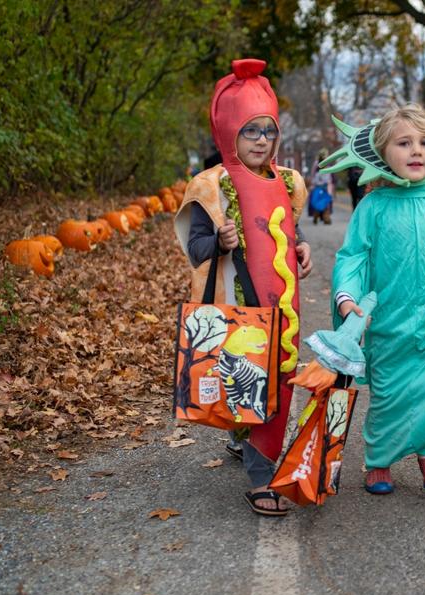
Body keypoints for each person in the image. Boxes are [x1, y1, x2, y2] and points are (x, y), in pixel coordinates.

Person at [173, 59, 313, 516]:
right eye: (250, 130)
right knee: (249, 382)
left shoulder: (288, 181)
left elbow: (289, 230)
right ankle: (260, 477)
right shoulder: (212, 185)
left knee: (279, 381)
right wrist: (219, 240)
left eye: (268, 131)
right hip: (238, 308)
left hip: (285, 306)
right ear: (229, 133)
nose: (261, 140)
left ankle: (249, 446)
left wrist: (302, 247)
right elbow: (195, 248)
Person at [328, 103, 425, 495]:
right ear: (384, 153)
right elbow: (354, 257)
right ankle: (379, 460)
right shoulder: (373, 206)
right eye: (404, 143)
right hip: (388, 323)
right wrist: (347, 300)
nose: (416, 150)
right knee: (389, 397)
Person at [309, 151, 336, 224]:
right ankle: (325, 218)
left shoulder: (318, 171)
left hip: (320, 188)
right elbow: (330, 180)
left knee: (319, 204)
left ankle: (321, 218)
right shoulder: (326, 170)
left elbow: (314, 180)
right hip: (324, 188)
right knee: (325, 204)